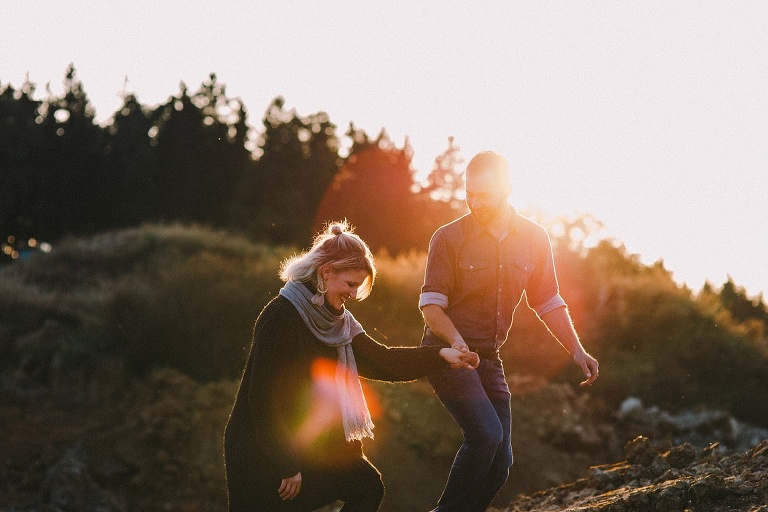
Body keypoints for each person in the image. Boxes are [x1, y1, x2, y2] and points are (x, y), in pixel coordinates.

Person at [224, 221, 479, 512]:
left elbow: (384, 361)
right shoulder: (281, 317)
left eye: (358, 287)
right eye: (350, 285)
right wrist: (285, 464)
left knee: (366, 486)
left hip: (304, 440)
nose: (354, 294)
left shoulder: (339, 323)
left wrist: (441, 355)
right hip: (261, 446)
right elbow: (262, 397)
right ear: (326, 272)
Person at [419, 151, 600, 512]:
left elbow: (548, 301)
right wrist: (456, 341)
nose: (474, 202)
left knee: (500, 465)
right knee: (485, 435)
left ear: (507, 188)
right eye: (469, 193)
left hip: (490, 359)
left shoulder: (534, 238)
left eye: (483, 194)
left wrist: (577, 351)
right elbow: (430, 306)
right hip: (447, 353)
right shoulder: (448, 238)